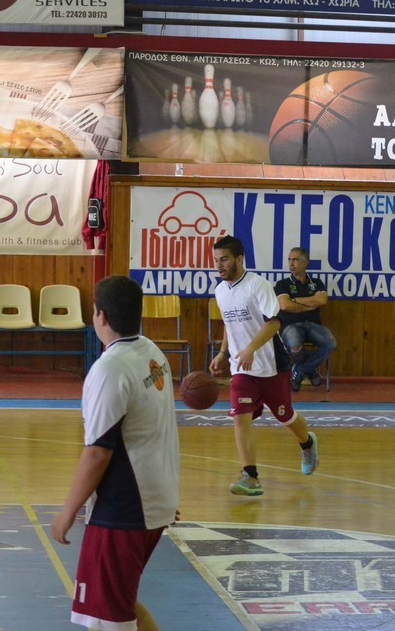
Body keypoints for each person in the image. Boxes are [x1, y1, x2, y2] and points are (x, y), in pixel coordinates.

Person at [50, 275, 180, 631]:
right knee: (117, 604)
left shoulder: (110, 369)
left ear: (101, 316)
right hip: (152, 500)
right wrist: (164, 493)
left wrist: (67, 512)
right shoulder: (152, 353)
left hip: (123, 509)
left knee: (110, 617)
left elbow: (97, 452)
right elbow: (155, 428)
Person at [209, 235, 319, 496]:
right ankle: (250, 476)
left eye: (224, 259)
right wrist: (223, 353)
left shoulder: (258, 285)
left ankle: (307, 443)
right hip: (241, 368)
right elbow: (228, 324)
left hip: (271, 365)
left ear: (239, 259)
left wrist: (251, 348)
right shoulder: (220, 291)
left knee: (285, 416)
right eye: (215, 260)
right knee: (240, 416)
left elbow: (274, 322)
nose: (219, 265)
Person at [274, 247, 337, 391]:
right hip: (290, 325)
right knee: (295, 346)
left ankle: (301, 370)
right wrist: (309, 305)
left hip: (313, 325)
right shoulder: (282, 284)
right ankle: (311, 370)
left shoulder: (316, 283)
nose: (291, 263)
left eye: (295, 260)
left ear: (305, 262)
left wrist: (295, 300)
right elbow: (285, 305)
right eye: (289, 260)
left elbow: (322, 301)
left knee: (331, 344)